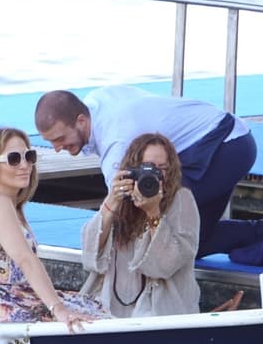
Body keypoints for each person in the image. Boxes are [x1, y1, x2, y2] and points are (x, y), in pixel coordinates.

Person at [34, 87, 263, 259]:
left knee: (173, 233)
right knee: (196, 240)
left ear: (81, 120)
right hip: (224, 138)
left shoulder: (117, 142)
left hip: (224, 148)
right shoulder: (95, 101)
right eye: (51, 143)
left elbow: (122, 211)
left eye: (60, 138)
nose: (57, 148)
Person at [0, 127, 108, 331]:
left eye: (29, 156)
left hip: (14, 296)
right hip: (0, 304)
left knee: (95, 308)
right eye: (14, 159)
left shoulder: (9, 205)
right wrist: (59, 309)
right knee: (94, 316)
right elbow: (25, 259)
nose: (25, 165)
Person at [80, 133, 202, 318]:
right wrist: (112, 202)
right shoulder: (120, 199)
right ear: (133, 170)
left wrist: (153, 213)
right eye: (148, 168)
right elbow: (90, 254)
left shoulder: (182, 200)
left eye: (162, 169)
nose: (155, 176)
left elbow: (168, 263)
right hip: (110, 309)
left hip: (161, 313)